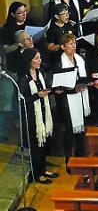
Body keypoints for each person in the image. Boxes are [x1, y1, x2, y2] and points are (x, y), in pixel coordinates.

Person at [18, 48, 58, 184]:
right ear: (29, 61)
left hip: (43, 114)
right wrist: (37, 95)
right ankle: (36, 175)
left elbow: (43, 91)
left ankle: (43, 170)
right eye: (36, 58)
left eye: (40, 57)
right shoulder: (23, 78)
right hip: (32, 117)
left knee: (44, 144)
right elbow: (22, 100)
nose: (40, 61)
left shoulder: (39, 73)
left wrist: (51, 91)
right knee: (36, 147)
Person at [52, 33, 90, 171]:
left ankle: (81, 156)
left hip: (80, 97)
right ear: (62, 47)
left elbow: (84, 77)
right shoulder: (59, 63)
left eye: (74, 42)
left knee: (80, 130)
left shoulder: (80, 59)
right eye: (70, 43)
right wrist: (73, 89)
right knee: (69, 131)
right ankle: (69, 159)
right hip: (67, 101)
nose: (73, 46)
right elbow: (59, 86)